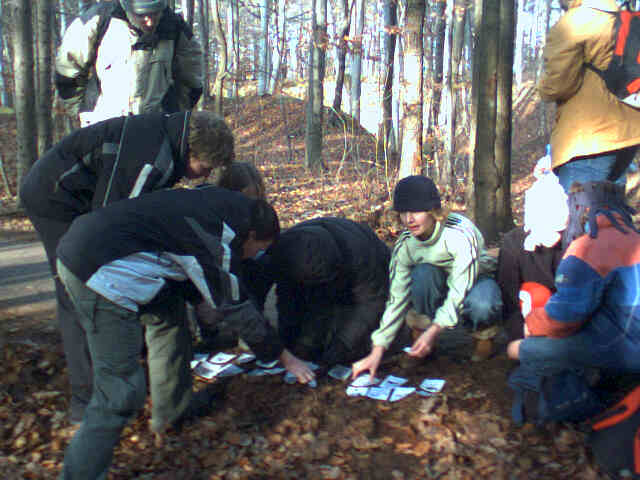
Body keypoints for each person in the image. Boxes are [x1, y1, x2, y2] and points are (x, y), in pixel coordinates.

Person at [55, 186, 313, 479]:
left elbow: (178, 246)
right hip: (96, 270)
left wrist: (198, 298)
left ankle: (171, 411)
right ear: (251, 235)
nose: (256, 256)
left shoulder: (222, 207)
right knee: (120, 391)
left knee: (169, 319)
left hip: (104, 248)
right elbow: (233, 303)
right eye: (260, 249)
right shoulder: (219, 235)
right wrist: (283, 356)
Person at [19, 111, 234, 424]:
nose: (204, 176)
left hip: (84, 197)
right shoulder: (150, 158)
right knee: (80, 286)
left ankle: (139, 366)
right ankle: (87, 402)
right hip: (55, 196)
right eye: (206, 167)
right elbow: (110, 225)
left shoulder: (169, 142)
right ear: (192, 151)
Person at [352, 176, 503, 380]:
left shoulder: (460, 234)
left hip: (475, 278)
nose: (409, 219)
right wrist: (378, 348)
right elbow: (397, 298)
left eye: (416, 211)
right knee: (421, 275)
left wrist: (434, 331)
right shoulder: (405, 245)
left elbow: (461, 287)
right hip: (435, 280)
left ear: (433, 211)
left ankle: (483, 335)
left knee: (483, 303)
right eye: (403, 212)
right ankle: (420, 333)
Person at [507, 180, 640, 402]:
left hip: (627, 348)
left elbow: (563, 319)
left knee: (524, 350)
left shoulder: (587, 248)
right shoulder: (633, 237)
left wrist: (531, 326)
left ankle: (562, 407)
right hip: (624, 330)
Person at [255, 217, 397, 366]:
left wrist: (343, 343)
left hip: (370, 265)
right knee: (304, 337)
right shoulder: (283, 251)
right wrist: (288, 342)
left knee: (358, 341)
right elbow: (287, 298)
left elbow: (371, 303)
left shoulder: (363, 258)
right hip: (316, 267)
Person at [538, 0, 640, 193]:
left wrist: (542, 87)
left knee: (584, 208)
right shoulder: (624, 17)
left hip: (588, 137)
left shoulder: (574, 22)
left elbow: (556, 86)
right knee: (611, 208)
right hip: (628, 136)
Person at [55, 0, 203, 126]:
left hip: (157, 127)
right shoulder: (99, 19)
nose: (150, 21)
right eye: (142, 15)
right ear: (128, 8)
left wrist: (174, 115)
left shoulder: (175, 28)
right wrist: (82, 112)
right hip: (103, 126)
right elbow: (66, 71)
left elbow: (192, 81)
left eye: (155, 14)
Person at [497, 160, 569, 341]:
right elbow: (509, 300)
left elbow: (579, 299)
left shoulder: (573, 244)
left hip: (566, 325)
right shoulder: (513, 244)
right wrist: (522, 332)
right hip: (527, 323)